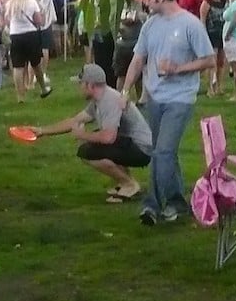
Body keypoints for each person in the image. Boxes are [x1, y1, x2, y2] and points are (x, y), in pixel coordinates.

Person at [122, 0, 215, 226]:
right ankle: (174, 202)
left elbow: (209, 60)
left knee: (162, 151)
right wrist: (125, 90)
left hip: (180, 99)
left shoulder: (190, 24)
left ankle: (154, 203)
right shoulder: (151, 25)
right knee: (163, 152)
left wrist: (178, 68)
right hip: (155, 98)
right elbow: (138, 59)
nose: (145, 1)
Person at [23, 63, 152, 201]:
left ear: (91, 85)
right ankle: (126, 182)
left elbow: (109, 137)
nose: (79, 88)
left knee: (87, 151)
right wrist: (42, 131)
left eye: (81, 84)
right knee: (94, 141)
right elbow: (75, 121)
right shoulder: (99, 99)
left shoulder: (109, 101)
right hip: (130, 143)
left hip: (142, 149)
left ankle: (129, 185)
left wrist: (82, 135)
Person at [6, 0, 51, 102]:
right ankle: (43, 88)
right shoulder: (31, 2)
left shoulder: (10, 4)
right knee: (36, 63)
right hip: (31, 34)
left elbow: (6, 21)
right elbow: (38, 21)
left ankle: (20, 96)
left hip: (15, 35)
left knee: (18, 66)